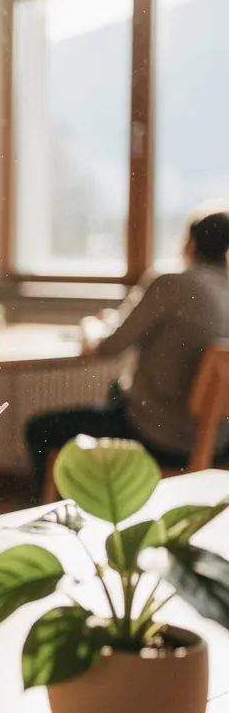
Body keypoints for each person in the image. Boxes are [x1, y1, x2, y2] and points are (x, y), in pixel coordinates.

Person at [25, 209, 229, 500]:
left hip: (158, 437)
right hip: (216, 441)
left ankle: (49, 520)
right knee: (116, 393)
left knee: (40, 428)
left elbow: (110, 346)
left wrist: (91, 328)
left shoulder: (172, 283)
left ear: (190, 245)